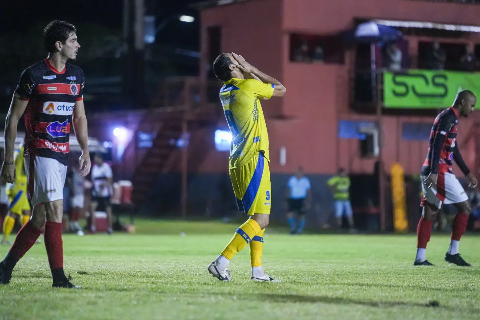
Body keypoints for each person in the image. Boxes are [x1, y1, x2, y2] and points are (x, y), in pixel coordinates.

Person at [0, 20, 91, 288]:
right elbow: (12, 118)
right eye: (74, 41)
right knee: (56, 209)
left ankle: (5, 267)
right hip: (39, 150)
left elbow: (80, 116)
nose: (78, 45)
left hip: (62, 152)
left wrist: (84, 149)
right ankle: (59, 278)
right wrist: (8, 160)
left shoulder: (77, 76)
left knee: (39, 220)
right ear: (59, 45)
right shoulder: (34, 75)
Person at [208, 52, 286, 282]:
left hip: (237, 160)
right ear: (233, 67)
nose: (241, 60)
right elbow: (280, 88)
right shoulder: (249, 86)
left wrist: (244, 69)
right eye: (237, 59)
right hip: (255, 158)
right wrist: (251, 67)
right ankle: (222, 261)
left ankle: (257, 271)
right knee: (262, 220)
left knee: (257, 218)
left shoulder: (224, 91)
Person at [415, 90, 477, 266]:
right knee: (465, 208)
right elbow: (436, 145)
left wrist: (466, 171)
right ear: (463, 102)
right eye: (471, 105)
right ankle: (453, 252)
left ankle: (420, 258)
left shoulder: (447, 117)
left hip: (427, 170)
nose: (472, 109)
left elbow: (453, 149)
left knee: (430, 212)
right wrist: (435, 171)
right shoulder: (449, 117)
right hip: (439, 171)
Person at [1, 146, 37, 245]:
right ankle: (5, 239)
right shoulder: (24, 150)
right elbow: (25, 166)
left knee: (26, 211)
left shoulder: (17, 150)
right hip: (18, 186)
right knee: (13, 212)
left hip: (16, 184)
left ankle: (29, 236)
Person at [89, 153, 113, 235]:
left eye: (97, 158)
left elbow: (109, 179)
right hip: (96, 193)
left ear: (101, 159)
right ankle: (93, 227)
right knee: (92, 208)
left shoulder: (106, 168)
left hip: (105, 193)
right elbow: (93, 180)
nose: (95, 160)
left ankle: (110, 228)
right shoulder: (94, 168)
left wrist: (104, 186)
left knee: (108, 210)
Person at [286, 166, 311, 234]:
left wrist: (308, 202)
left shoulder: (305, 181)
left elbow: (308, 192)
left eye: (300, 172)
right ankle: (293, 228)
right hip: (292, 199)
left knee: (301, 215)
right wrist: (287, 199)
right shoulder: (292, 180)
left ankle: (300, 230)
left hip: (301, 199)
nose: (298, 173)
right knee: (289, 214)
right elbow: (289, 190)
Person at [68, 167, 85, 235]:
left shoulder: (82, 173)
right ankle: (72, 224)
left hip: (80, 193)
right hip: (75, 193)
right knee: (74, 208)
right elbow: (70, 182)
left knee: (79, 208)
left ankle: (76, 222)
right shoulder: (73, 172)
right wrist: (72, 191)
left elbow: (82, 183)